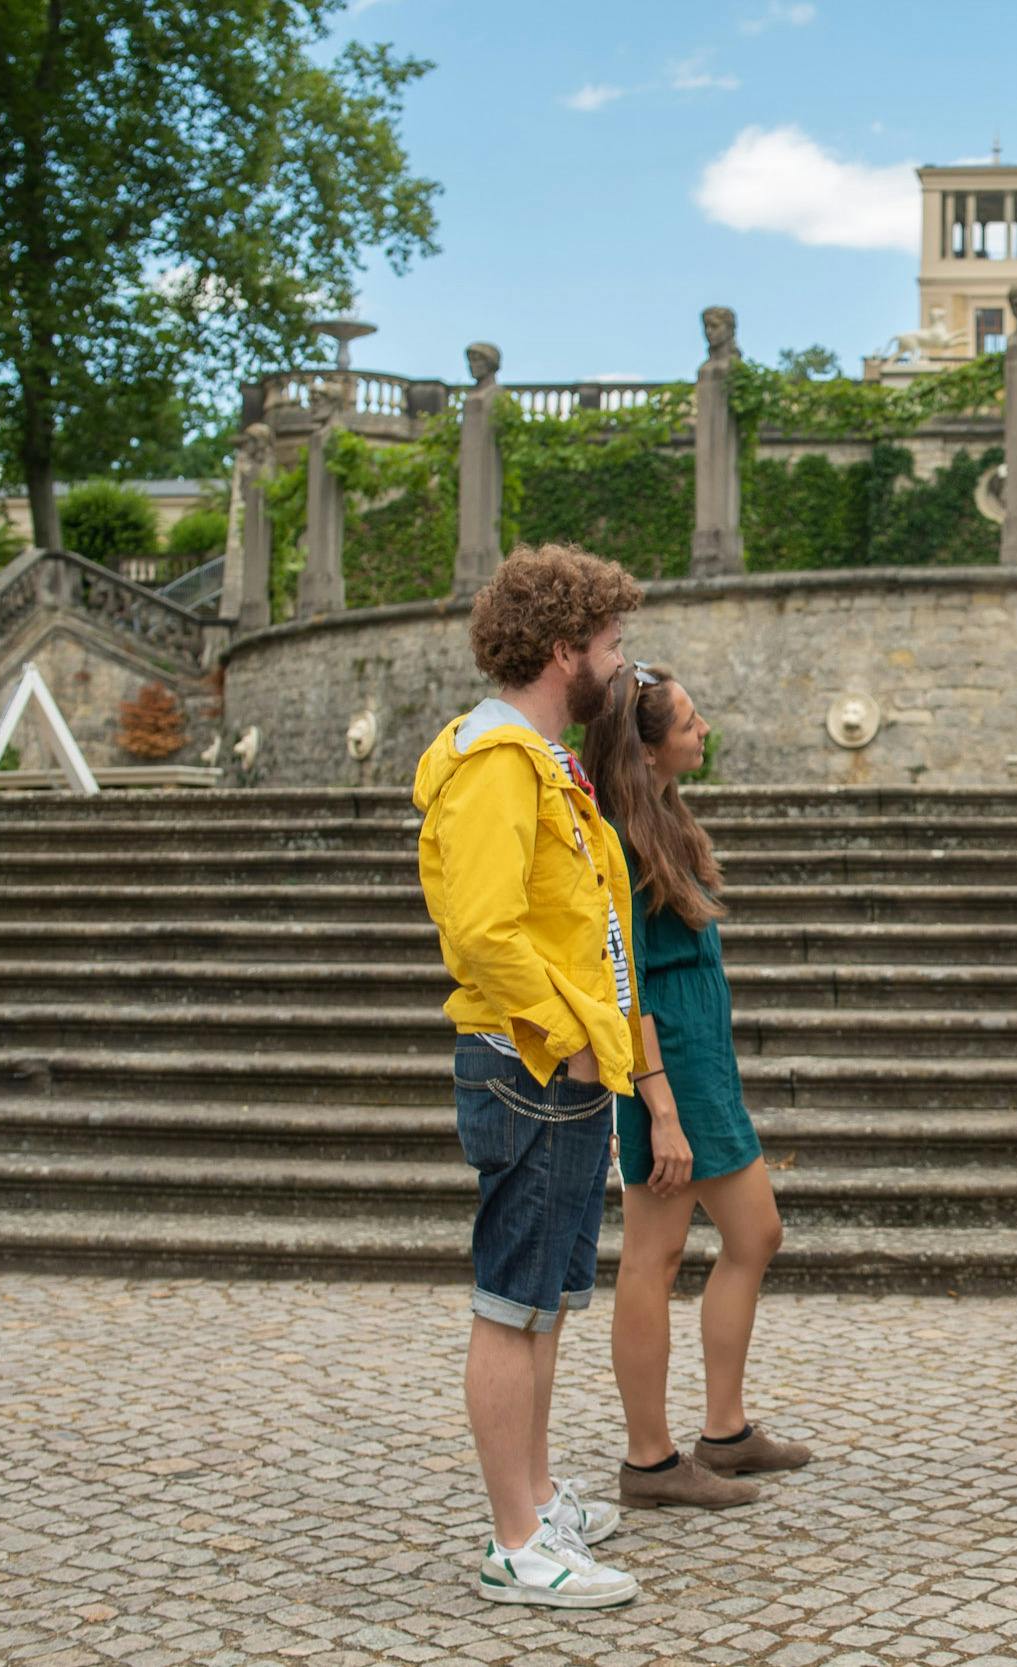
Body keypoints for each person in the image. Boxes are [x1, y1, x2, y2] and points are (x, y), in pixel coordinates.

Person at [411, 542, 646, 1609]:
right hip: (529, 1063)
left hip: (557, 1062)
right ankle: (516, 1540)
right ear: (565, 652)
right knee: (510, 1304)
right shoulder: (498, 766)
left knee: (544, 1300)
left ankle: (537, 1495)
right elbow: (484, 931)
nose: (620, 660)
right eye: (610, 643)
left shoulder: (541, 757)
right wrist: (572, 1034)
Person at [584, 662, 811, 1513]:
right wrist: (661, 1109)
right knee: (654, 1255)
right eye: (689, 719)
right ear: (646, 748)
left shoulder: (665, 817)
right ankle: (649, 1461)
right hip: (662, 1068)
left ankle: (726, 1430)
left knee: (754, 1234)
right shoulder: (617, 835)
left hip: (700, 1063)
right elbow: (624, 978)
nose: (705, 726)